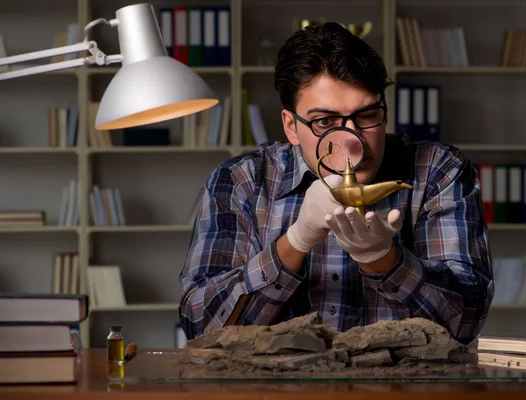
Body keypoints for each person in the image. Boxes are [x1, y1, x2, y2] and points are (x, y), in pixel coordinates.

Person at [178, 22, 493, 345]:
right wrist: (296, 242)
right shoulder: (240, 180)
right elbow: (202, 328)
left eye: (368, 116)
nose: (353, 143)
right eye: (325, 122)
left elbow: (466, 323)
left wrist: (384, 259)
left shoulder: (439, 170)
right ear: (291, 126)